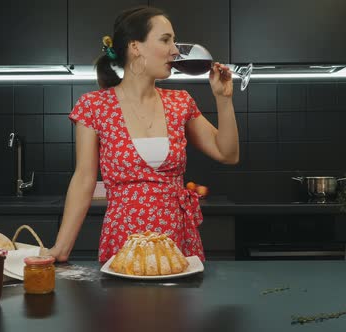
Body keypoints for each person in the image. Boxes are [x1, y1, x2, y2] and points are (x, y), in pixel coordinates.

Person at [49, 5, 239, 263]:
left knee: (178, 304)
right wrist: (60, 249)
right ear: (135, 46)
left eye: (174, 40)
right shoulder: (94, 106)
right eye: (165, 40)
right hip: (123, 243)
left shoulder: (181, 102)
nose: (175, 50)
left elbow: (227, 154)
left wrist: (223, 99)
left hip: (177, 243)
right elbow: (84, 178)